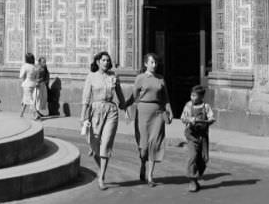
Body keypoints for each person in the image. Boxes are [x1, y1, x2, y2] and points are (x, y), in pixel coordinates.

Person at [80, 51, 127, 190]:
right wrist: (83, 117)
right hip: (95, 111)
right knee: (95, 145)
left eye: (108, 60)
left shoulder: (113, 76)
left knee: (106, 144)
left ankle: (102, 177)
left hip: (111, 111)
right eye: (103, 60)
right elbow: (86, 98)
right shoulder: (91, 77)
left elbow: (120, 94)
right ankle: (96, 156)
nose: (106, 62)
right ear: (98, 62)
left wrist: (126, 107)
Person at [129, 52, 173, 187]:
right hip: (143, 112)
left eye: (156, 63)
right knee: (144, 146)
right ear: (145, 64)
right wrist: (125, 105)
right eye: (152, 62)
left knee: (155, 143)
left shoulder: (161, 78)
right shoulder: (140, 78)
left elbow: (165, 97)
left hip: (158, 113)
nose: (154, 65)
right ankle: (143, 163)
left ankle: (150, 176)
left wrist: (169, 110)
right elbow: (134, 96)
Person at [180, 85, 215, 193]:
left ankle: (196, 177)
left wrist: (210, 120)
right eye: (191, 95)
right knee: (193, 156)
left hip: (203, 136)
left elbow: (211, 117)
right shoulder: (188, 106)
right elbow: (183, 118)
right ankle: (192, 180)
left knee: (203, 159)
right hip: (192, 135)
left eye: (195, 96)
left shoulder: (206, 107)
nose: (192, 97)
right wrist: (190, 120)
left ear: (201, 97)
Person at [19, 52, 37, 118]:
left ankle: (35, 114)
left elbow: (21, 76)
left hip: (27, 84)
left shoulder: (25, 66)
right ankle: (21, 113)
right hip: (33, 84)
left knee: (29, 100)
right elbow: (35, 76)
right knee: (25, 98)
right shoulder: (34, 67)